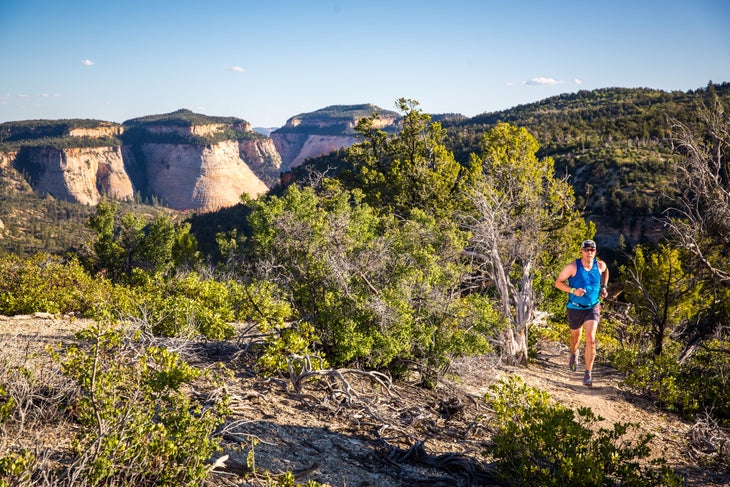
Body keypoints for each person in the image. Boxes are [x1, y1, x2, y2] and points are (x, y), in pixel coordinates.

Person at [554, 239, 609, 386]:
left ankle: (588, 373)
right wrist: (573, 290)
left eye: (592, 250)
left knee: (591, 339)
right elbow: (558, 283)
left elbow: (606, 271)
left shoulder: (600, 265)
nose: (589, 252)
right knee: (575, 339)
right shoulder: (572, 267)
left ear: (595, 252)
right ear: (581, 251)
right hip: (575, 307)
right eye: (586, 250)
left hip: (593, 307)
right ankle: (574, 353)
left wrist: (603, 287)